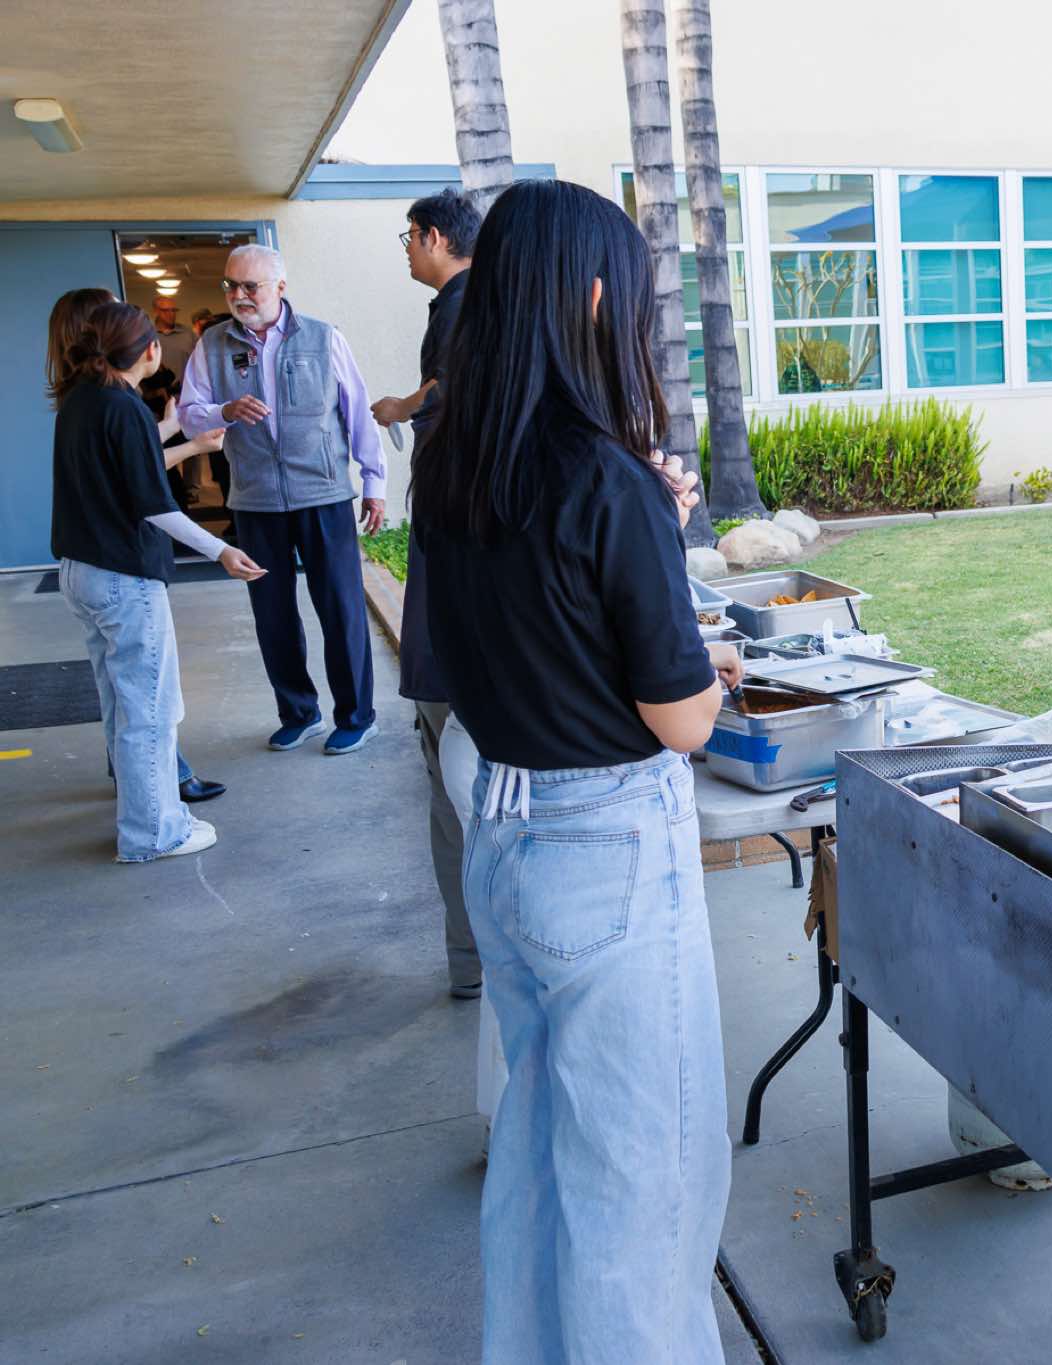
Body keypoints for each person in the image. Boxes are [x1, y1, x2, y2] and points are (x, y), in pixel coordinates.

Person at [412, 178, 743, 1363]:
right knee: (643, 1187)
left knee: (544, 1155)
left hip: (503, 829)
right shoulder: (604, 479)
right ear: (597, 299)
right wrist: (708, 665)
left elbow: (528, 626)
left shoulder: (453, 463)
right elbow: (682, 720)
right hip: (606, 847)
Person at [49, 301, 266, 861]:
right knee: (150, 710)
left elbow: (126, 462)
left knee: (122, 704)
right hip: (123, 578)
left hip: (80, 573)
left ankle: (146, 815)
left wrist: (174, 428)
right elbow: (154, 505)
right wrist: (222, 549)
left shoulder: (81, 399)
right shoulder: (120, 406)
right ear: (149, 350)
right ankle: (154, 832)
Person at [176, 244, 385, 755]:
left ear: (280, 288)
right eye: (231, 286)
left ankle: (357, 716)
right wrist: (224, 411)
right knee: (272, 615)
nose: (239, 295)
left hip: (323, 495)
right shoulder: (212, 345)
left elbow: (357, 412)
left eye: (250, 286)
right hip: (256, 502)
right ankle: (298, 712)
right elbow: (189, 414)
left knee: (340, 609)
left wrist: (374, 483)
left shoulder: (323, 337)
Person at [373, 186, 481, 999]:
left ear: (435, 236)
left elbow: (443, 388)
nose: (407, 250)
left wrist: (401, 404)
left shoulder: (462, 303)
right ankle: (473, 960)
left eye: (408, 237)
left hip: (457, 615)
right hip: (455, 596)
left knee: (454, 782)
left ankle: (472, 960)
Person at [151, 295, 196, 380]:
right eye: (165, 310)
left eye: (174, 310)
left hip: (186, 385)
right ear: (156, 311)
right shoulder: (147, 334)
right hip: (158, 387)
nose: (171, 314)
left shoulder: (188, 333)